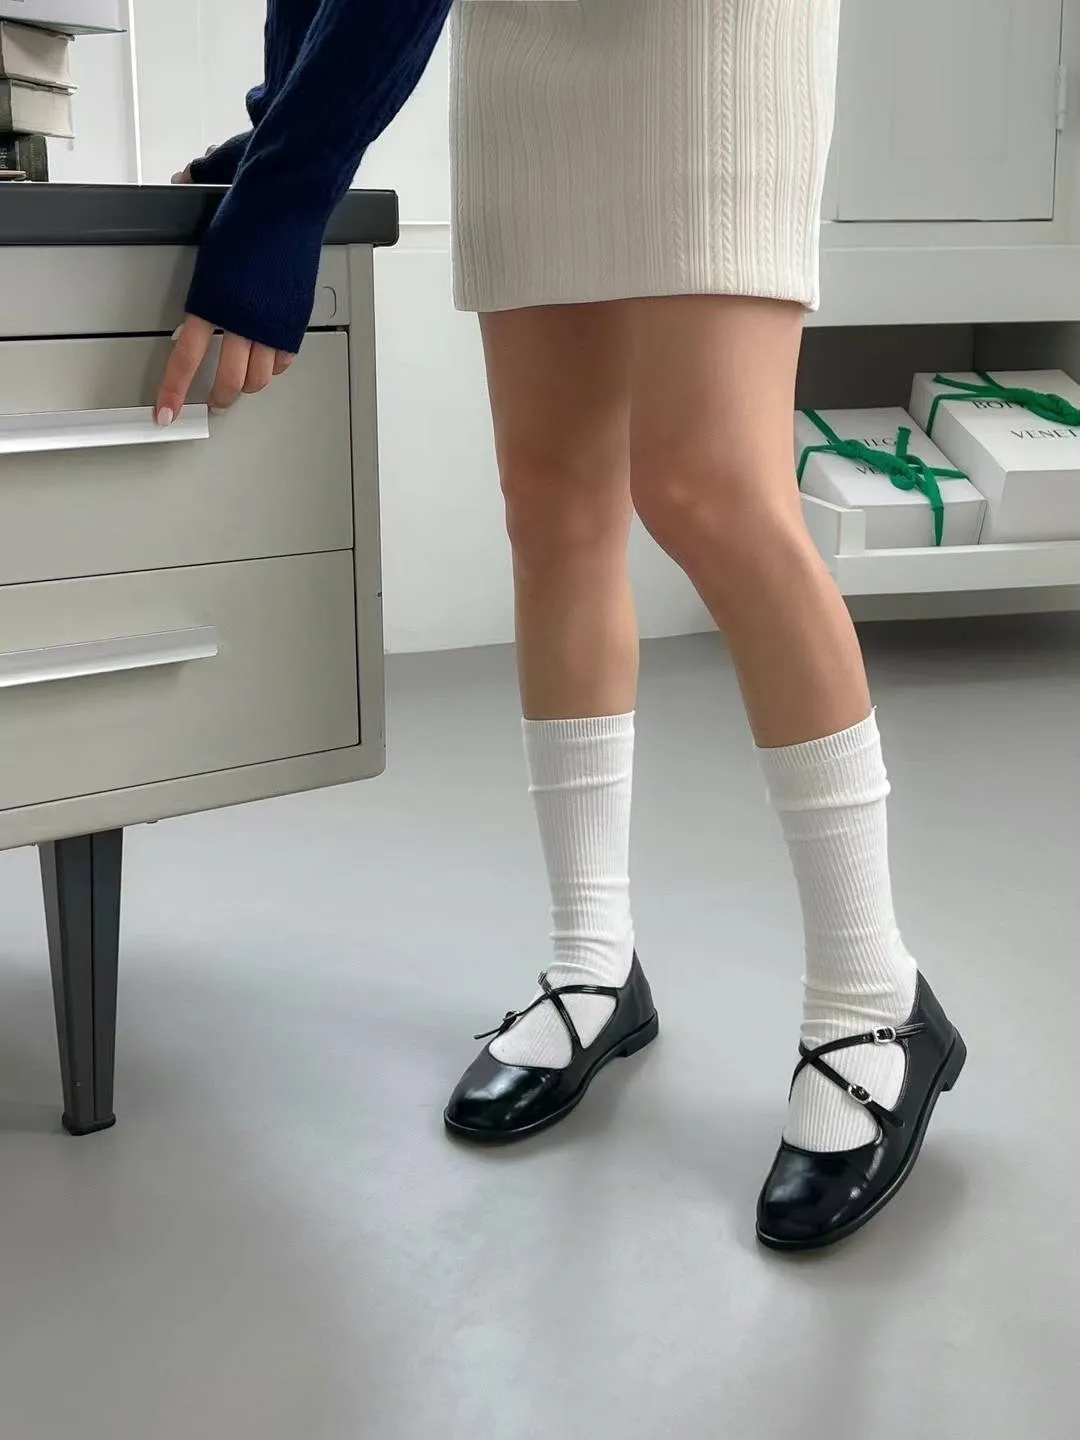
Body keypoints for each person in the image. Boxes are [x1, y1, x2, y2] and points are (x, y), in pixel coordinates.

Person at [161, 0, 966, 1253]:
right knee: (549, 502)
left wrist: (285, 194)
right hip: (529, 40)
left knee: (709, 488)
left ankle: (876, 995)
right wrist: (278, 131)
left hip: (706, 32)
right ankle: (594, 961)